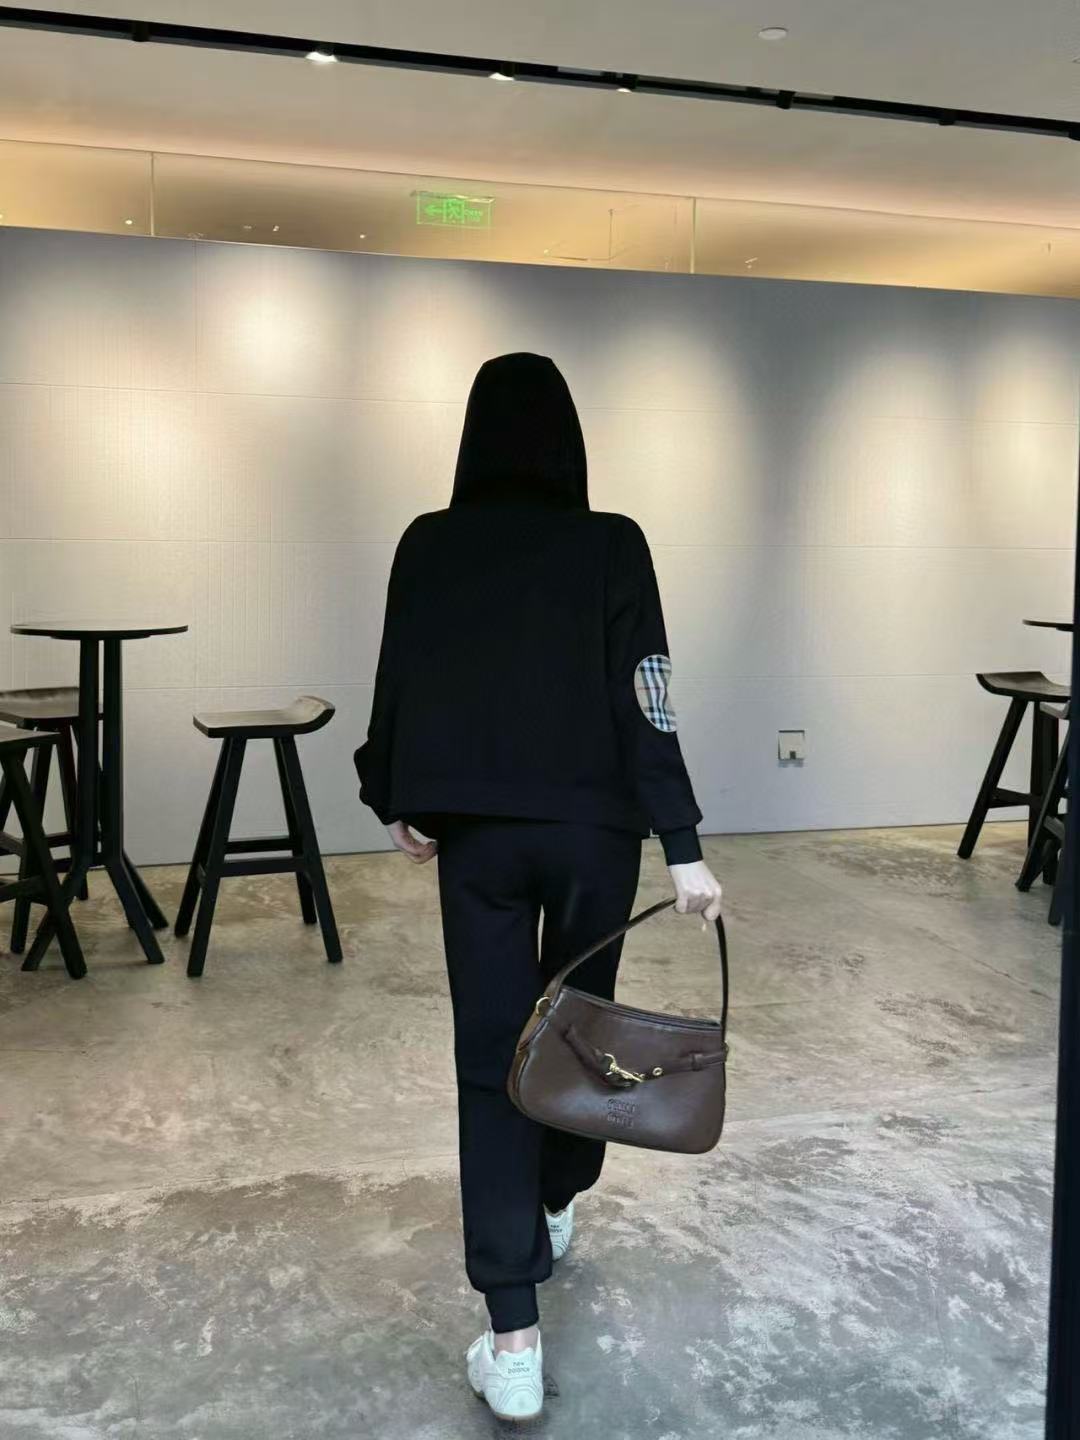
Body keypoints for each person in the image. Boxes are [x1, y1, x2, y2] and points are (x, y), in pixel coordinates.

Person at [354, 351, 723, 1422]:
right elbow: (647, 693)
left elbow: (400, 675)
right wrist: (682, 843)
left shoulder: (430, 541)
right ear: (569, 439)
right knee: (576, 1034)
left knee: (490, 1063)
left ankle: (512, 1334)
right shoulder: (614, 543)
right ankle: (557, 1196)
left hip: (478, 838)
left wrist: (393, 793)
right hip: (594, 837)